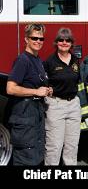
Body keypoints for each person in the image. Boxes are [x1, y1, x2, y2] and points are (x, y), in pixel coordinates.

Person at [6, 23, 52, 166]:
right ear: (26, 39)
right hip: (24, 116)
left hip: (36, 114)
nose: (38, 41)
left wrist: (46, 89)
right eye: (34, 38)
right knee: (25, 160)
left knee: (36, 158)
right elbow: (10, 88)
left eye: (41, 39)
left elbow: (34, 84)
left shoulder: (37, 60)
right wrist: (36, 91)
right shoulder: (22, 60)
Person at [43, 28, 81, 165]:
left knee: (72, 146)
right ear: (56, 42)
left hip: (74, 105)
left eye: (68, 40)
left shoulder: (76, 60)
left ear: (72, 43)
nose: (64, 42)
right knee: (54, 146)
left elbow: (79, 81)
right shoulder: (50, 62)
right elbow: (42, 82)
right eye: (61, 40)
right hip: (55, 105)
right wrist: (47, 89)